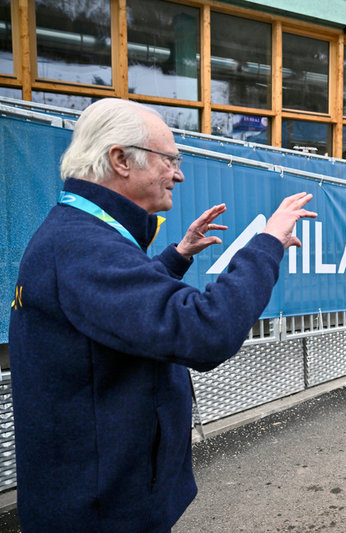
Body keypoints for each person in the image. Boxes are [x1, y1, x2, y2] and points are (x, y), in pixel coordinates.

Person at [8, 98, 317, 532]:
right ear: (120, 160)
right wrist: (266, 244)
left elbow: (114, 311)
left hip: (98, 499)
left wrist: (176, 256)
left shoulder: (76, 235)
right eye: (169, 159)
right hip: (102, 513)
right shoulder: (83, 246)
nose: (178, 172)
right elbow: (206, 330)